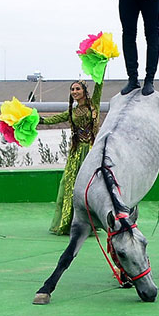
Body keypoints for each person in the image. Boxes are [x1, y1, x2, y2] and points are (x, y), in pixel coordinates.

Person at [38, 80, 103, 235]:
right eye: (72, 89)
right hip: (76, 153)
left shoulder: (93, 105)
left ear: (84, 91)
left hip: (91, 152)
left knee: (90, 186)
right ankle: (69, 222)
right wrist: (38, 120)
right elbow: (54, 119)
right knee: (69, 184)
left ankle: (90, 224)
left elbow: (99, 85)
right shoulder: (72, 112)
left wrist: (102, 62)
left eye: (77, 89)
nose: (74, 92)